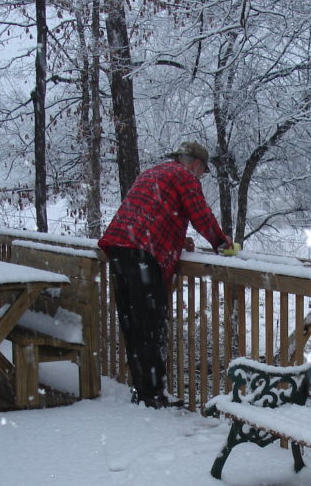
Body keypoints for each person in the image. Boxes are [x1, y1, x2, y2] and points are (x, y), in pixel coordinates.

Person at [98, 141, 233, 409]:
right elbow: (200, 214)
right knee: (151, 326)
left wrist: (177, 240)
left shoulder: (153, 173)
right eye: (202, 172)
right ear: (196, 164)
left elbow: (149, 215)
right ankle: (152, 397)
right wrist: (221, 243)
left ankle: (143, 391)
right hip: (141, 257)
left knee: (132, 324)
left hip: (118, 249)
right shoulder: (185, 176)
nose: (200, 177)